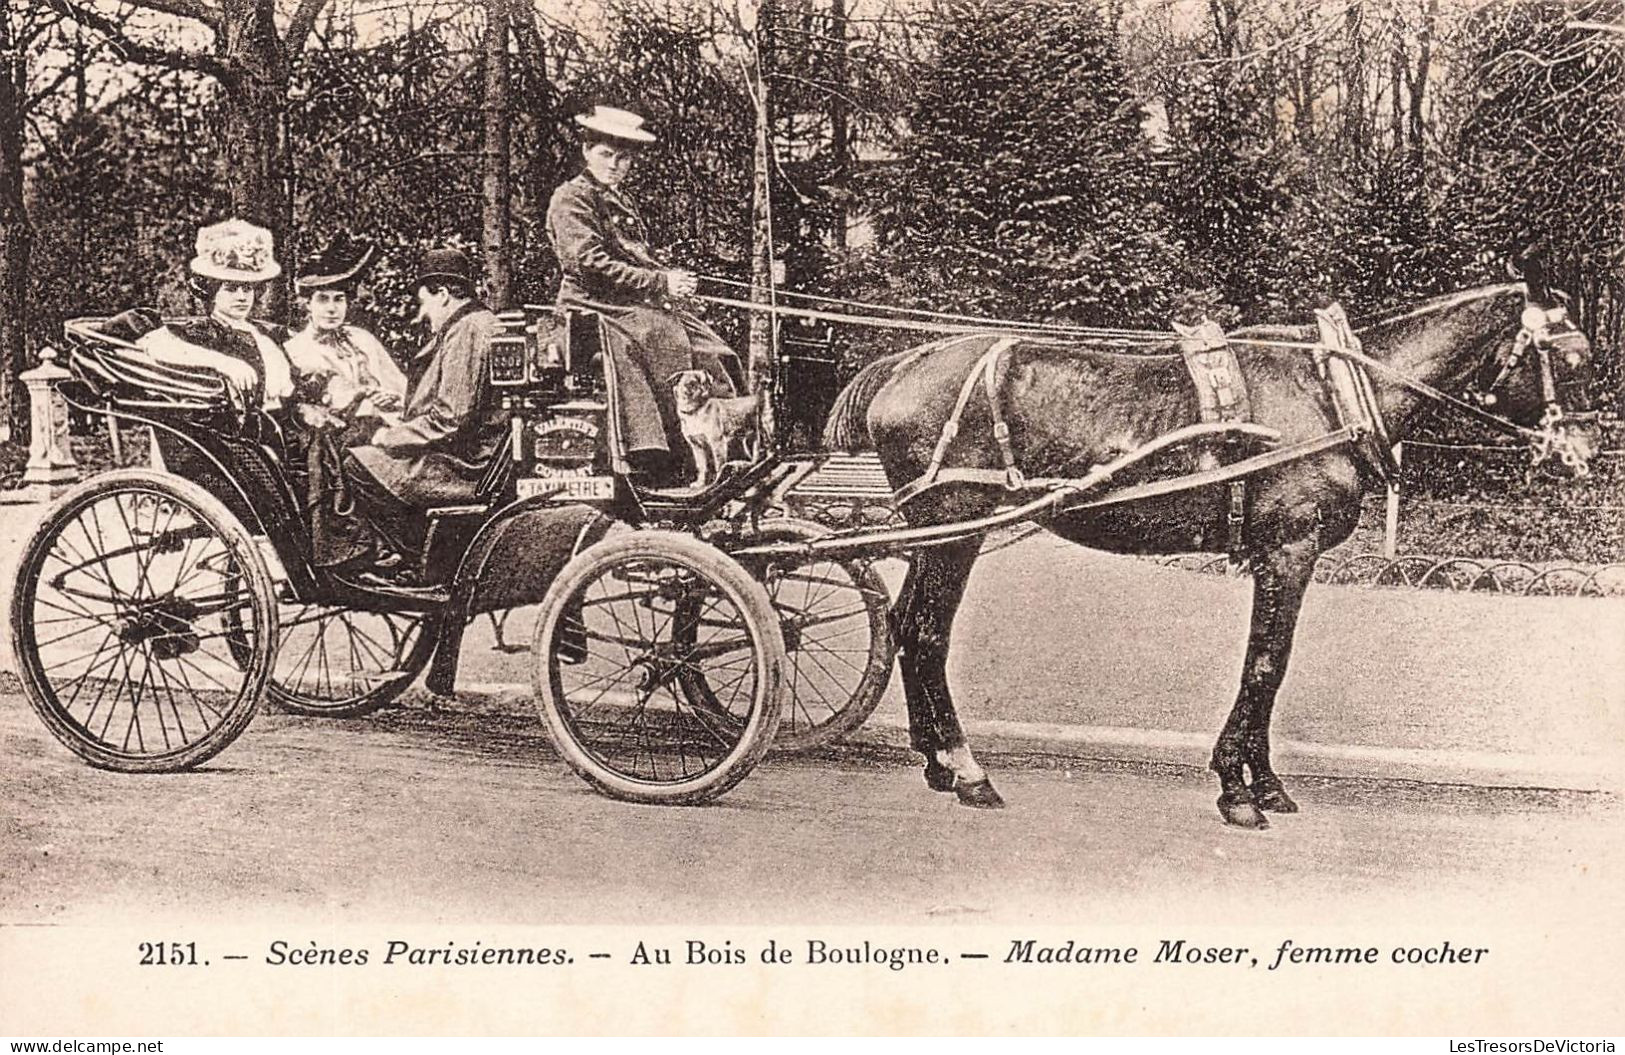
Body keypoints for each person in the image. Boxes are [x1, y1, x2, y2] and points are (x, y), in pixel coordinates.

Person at [546, 104, 742, 479]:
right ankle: (660, 460)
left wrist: (671, 282)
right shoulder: (571, 198)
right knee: (661, 340)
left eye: (624, 158)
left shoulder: (617, 199)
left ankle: (725, 450)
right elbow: (588, 264)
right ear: (587, 151)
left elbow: (636, 256)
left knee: (713, 350)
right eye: (606, 155)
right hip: (592, 306)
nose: (615, 165)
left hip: (632, 304)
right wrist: (659, 283)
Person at [341, 247, 503, 576]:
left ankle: (419, 562)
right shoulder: (478, 323)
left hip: (466, 465)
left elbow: (450, 418)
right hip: (475, 454)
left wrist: (391, 436)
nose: (423, 313)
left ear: (442, 294)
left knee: (357, 463)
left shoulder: (468, 331)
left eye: (423, 302)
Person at [137, 218, 295, 412]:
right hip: (233, 430)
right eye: (230, 288)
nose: (241, 297)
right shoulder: (204, 332)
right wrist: (223, 362)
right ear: (212, 291)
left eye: (247, 288)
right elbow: (156, 344)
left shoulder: (266, 332)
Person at [285, 233, 408, 440]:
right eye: (323, 300)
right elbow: (321, 407)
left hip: (393, 430)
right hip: (341, 439)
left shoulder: (363, 339)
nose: (332, 309)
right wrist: (363, 397)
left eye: (339, 299)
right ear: (307, 304)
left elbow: (400, 388)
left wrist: (393, 399)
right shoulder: (295, 349)